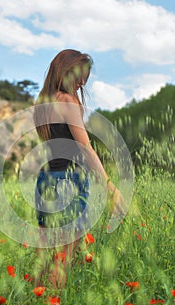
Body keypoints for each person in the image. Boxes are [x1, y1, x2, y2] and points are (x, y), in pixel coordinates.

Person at [33, 49, 125, 290]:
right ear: (66, 70)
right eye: (79, 74)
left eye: (86, 76)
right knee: (62, 260)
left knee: (44, 259)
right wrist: (110, 186)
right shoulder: (67, 101)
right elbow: (84, 147)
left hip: (45, 179)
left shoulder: (42, 103)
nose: (83, 81)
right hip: (68, 181)